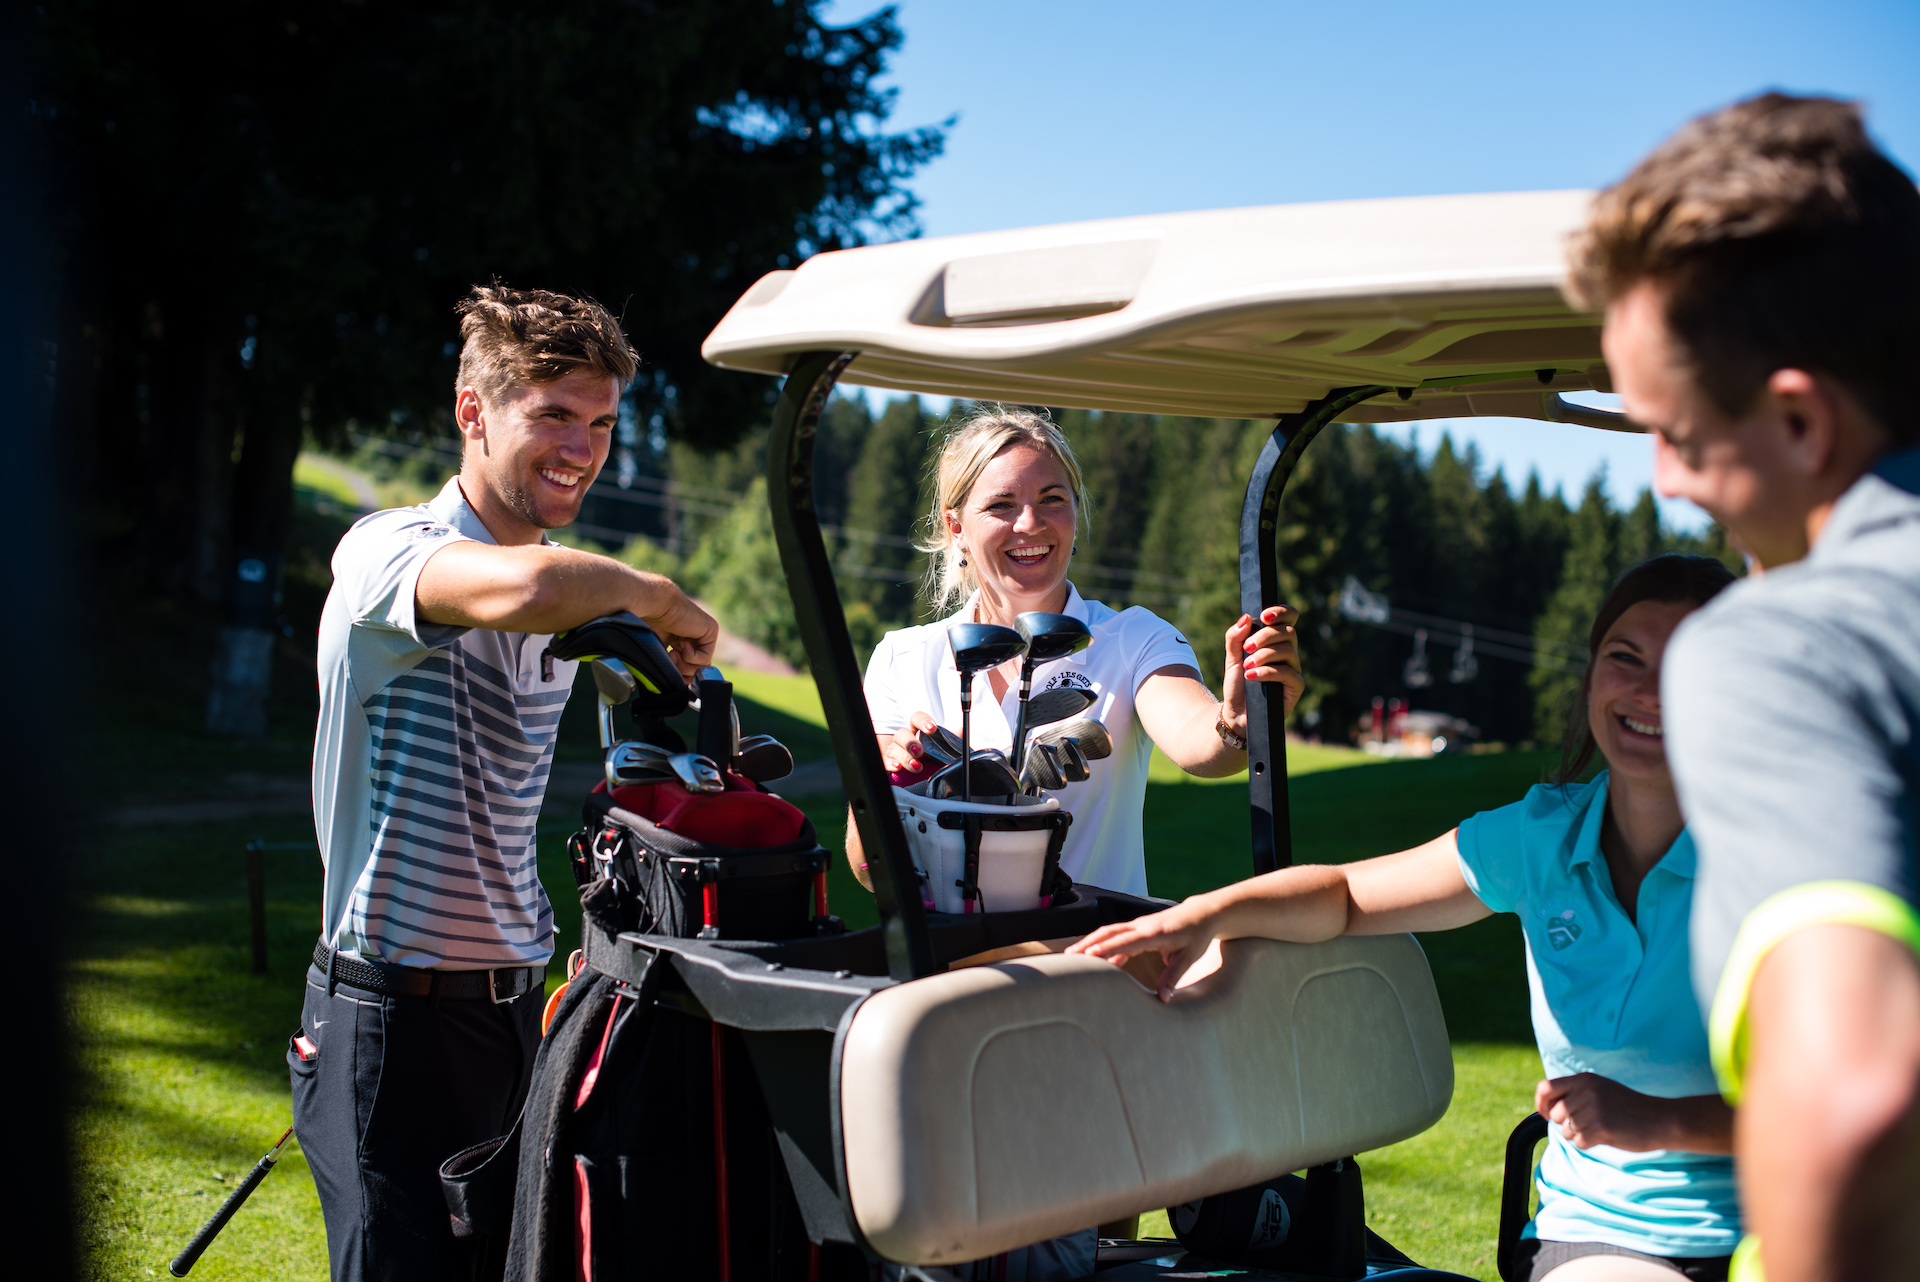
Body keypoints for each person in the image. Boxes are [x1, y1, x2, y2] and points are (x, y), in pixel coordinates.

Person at [1075, 555, 1742, 1282]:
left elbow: (1863, 1110)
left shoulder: (1780, 860)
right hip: (1605, 1240)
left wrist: (1662, 1121)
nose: (1649, 690)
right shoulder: (1542, 839)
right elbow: (1346, 896)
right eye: (1626, 657)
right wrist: (1204, 915)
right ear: (1591, 677)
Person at [296, 285, 718, 1281]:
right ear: (473, 413)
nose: (583, 446)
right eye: (555, 415)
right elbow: (523, 587)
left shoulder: (565, 603)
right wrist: (657, 596)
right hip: (391, 1025)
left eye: (603, 423)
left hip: (510, 1018)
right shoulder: (386, 553)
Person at [1569, 94, 1920, 1282]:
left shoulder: (1791, 642)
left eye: (1675, 432)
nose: (1667, 481)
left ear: (1797, 418)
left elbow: (1854, 1100)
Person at [848, 405, 1303, 900]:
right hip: (957, 967)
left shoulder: (1133, 638)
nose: (1030, 523)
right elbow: (867, 864)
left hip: (1098, 963)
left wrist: (1238, 723)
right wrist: (907, 781)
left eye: (1052, 499)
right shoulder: (902, 657)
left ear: (1076, 512)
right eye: (1001, 504)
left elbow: (1199, 744)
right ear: (956, 528)